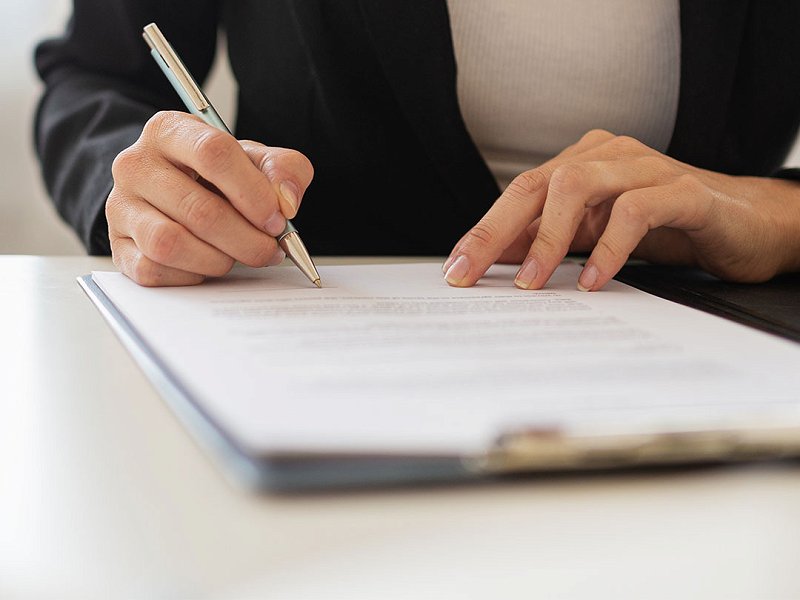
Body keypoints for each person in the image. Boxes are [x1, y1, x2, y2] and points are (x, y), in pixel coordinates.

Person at [35, 1, 800, 290]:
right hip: (301, 331)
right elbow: (98, 78)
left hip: (710, 343)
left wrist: (780, 215)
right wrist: (148, 192)